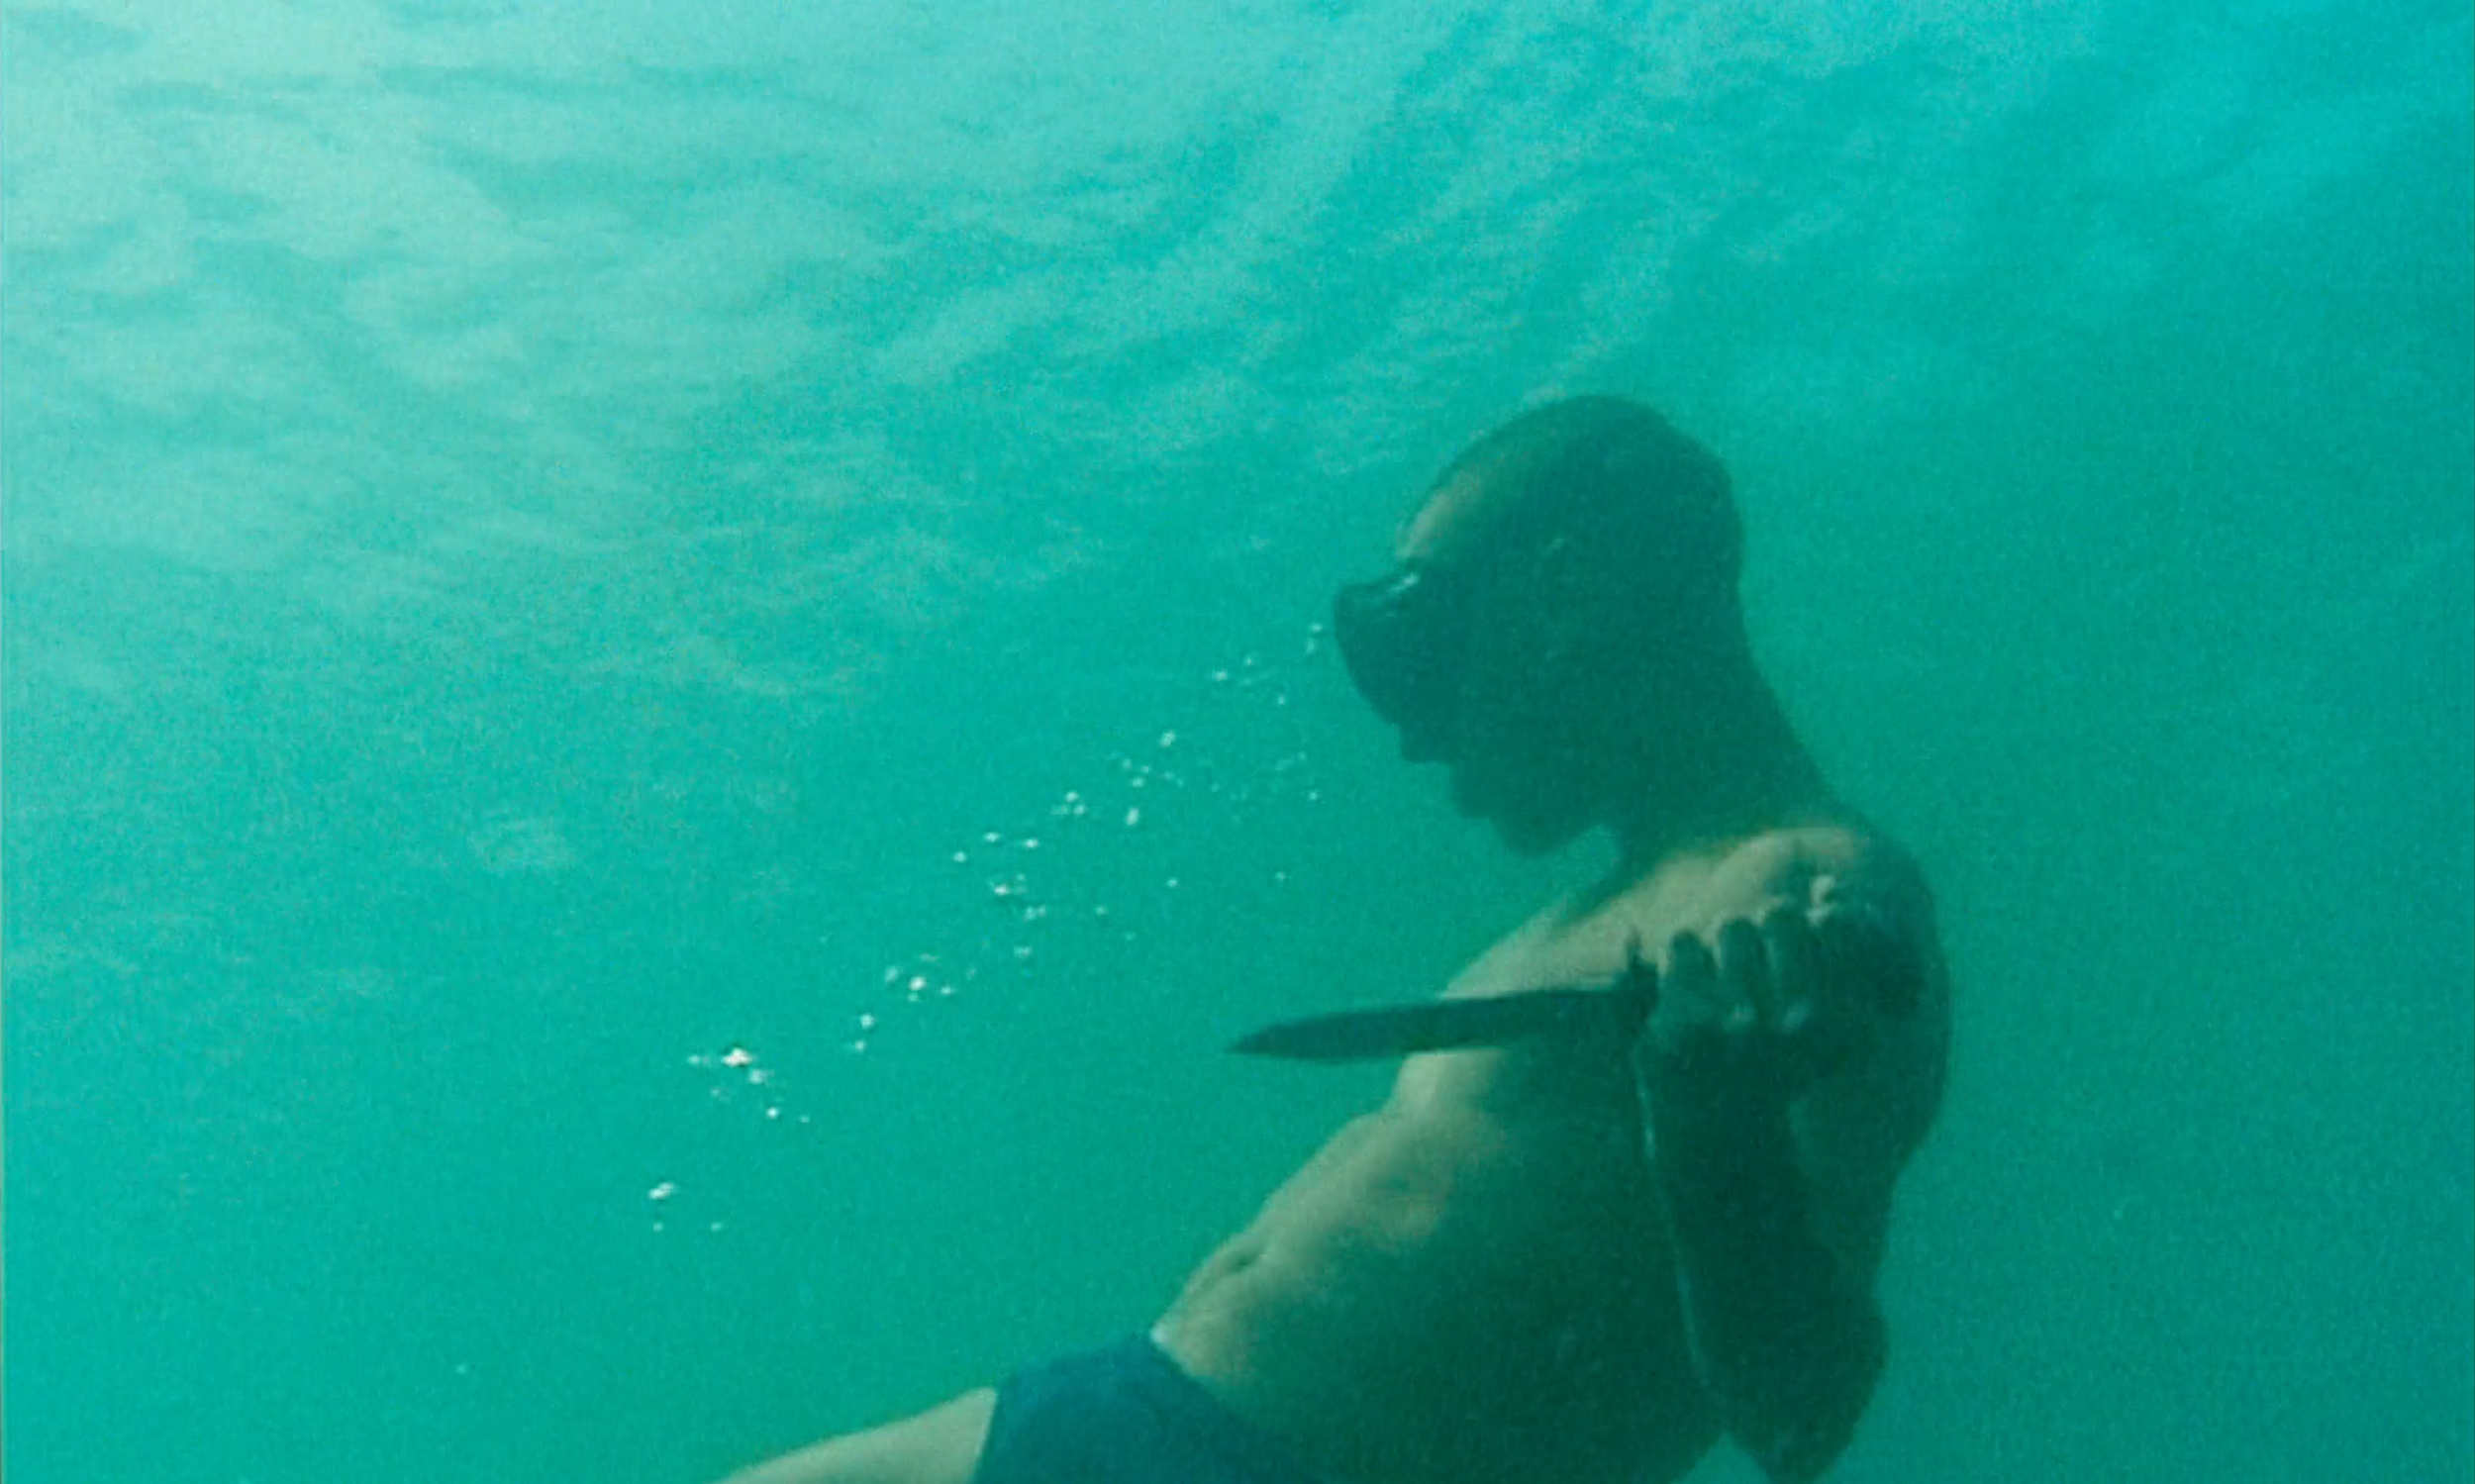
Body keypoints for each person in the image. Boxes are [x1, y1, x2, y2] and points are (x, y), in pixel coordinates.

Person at [721, 394, 1950, 1484]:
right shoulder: (1611, 908)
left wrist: (1716, 1136)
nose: (1411, 732)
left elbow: (1802, 1417)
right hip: (1133, 1408)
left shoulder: (1809, 893)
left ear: (1563, 592)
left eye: (1413, 645)